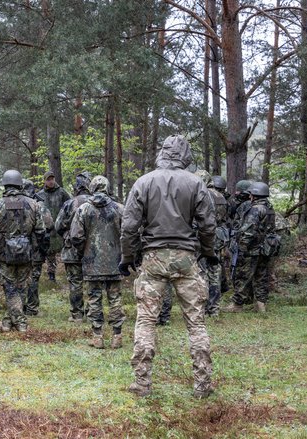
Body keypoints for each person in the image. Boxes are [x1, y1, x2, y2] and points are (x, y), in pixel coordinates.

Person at [120, 135, 216, 399]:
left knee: (146, 320)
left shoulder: (144, 181)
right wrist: (208, 252)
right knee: (196, 323)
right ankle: (202, 384)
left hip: (153, 259)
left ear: (162, 153)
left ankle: (141, 383)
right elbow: (208, 225)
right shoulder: (196, 183)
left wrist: (127, 257)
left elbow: (129, 226)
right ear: (184, 155)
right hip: (186, 258)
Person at [70, 176, 125, 349]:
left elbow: (76, 236)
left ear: (92, 188)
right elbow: (129, 234)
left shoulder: (83, 209)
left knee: (94, 299)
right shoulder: (119, 209)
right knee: (115, 298)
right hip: (115, 262)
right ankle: (117, 336)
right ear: (108, 188)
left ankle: (97, 336)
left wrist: (83, 253)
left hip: (91, 261)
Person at [0, 170, 45, 332]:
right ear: (20, 184)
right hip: (27, 253)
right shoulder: (34, 204)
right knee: (21, 286)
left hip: (4, 254)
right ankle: (9, 320)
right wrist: (37, 250)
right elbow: (41, 231)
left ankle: (19, 322)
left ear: (5, 185)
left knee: (9, 286)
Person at [224, 182, 277, 313]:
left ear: (255, 195)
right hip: (265, 249)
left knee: (243, 276)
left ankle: (237, 304)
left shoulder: (255, 209)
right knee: (261, 276)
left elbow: (249, 231)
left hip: (251, 250)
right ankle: (261, 305)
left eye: (251, 194)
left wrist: (242, 248)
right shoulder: (270, 208)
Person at [55, 172, 92, 322]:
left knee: (75, 282)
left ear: (76, 187)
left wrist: (67, 233)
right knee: (92, 282)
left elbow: (58, 225)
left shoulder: (70, 203)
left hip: (72, 249)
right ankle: (92, 313)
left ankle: (77, 314)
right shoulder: (95, 202)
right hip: (92, 250)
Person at [195, 170, 229, 317]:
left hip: (201, 237)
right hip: (218, 236)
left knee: (201, 272)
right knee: (215, 271)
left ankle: (201, 308)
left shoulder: (198, 195)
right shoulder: (220, 196)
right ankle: (214, 308)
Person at [22, 179, 52, 316]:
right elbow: (49, 225)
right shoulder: (38, 205)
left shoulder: (11, 204)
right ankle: (32, 308)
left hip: (16, 250)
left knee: (19, 278)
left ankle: (19, 305)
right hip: (35, 249)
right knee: (33, 278)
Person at [36, 170, 71, 282]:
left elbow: (70, 206)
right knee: (50, 251)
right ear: (44, 181)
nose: (51, 181)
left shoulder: (62, 192)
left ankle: (69, 273)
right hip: (45, 228)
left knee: (63, 250)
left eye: (52, 179)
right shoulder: (40, 194)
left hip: (60, 227)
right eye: (48, 179)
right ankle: (51, 274)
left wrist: (65, 222)